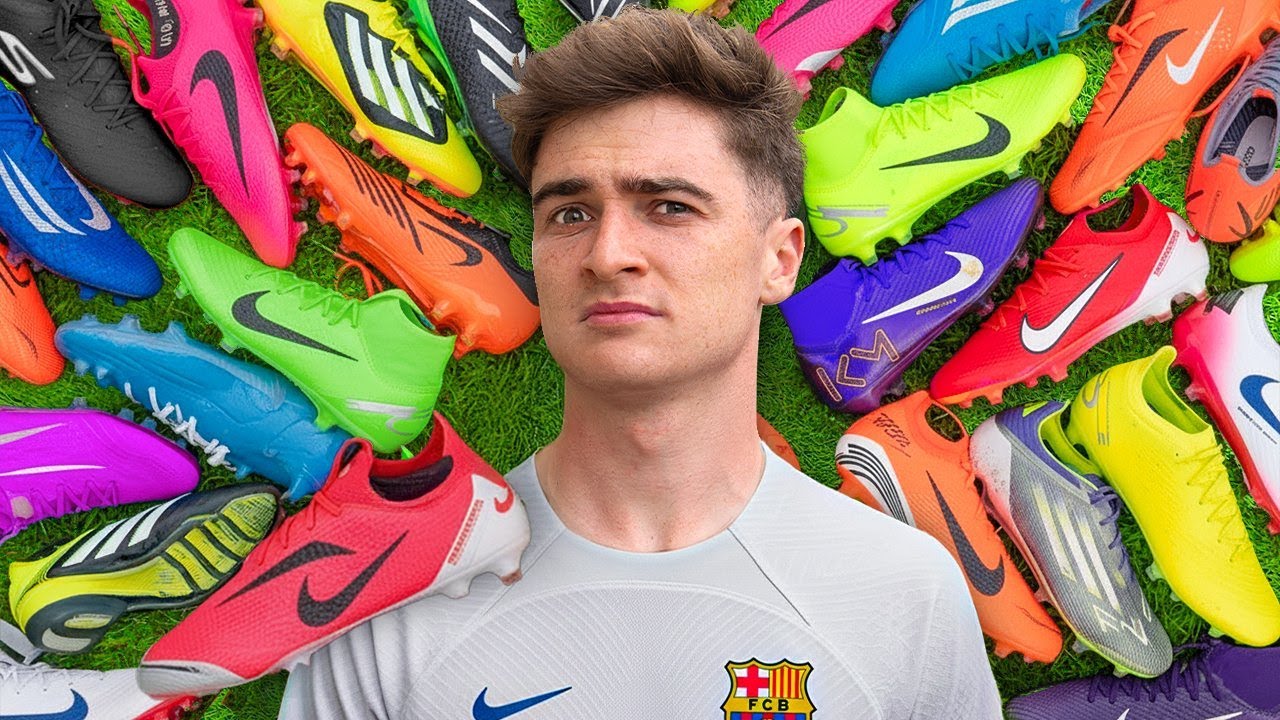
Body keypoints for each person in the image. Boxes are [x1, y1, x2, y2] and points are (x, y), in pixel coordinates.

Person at [281, 8, 1002, 719]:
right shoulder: (392, 603)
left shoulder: (904, 594)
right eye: (570, 214)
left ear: (779, 261)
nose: (607, 254)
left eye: (669, 207)